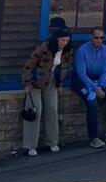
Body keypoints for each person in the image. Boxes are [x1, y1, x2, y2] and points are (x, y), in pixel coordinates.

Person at [20, 24, 70, 156]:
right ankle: (31, 145)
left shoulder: (67, 50)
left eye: (67, 40)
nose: (64, 43)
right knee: (35, 109)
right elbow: (30, 64)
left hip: (52, 80)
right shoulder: (45, 47)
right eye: (62, 40)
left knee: (52, 109)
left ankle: (52, 141)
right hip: (37, 79)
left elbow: (65, 67)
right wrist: (27, 82)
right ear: (56, 39)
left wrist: (60, 83)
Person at [73, 27, 106, 148]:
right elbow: (81, 74)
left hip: (98, 80)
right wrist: (96, 88)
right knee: (92, 102)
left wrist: (100, 85)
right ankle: (93, 137)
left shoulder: (105, 50)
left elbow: (105, 69)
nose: (99, 40)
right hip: (82, 80)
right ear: (91, 37)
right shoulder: (82, 50)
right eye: (96, 37)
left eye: (101, 38)